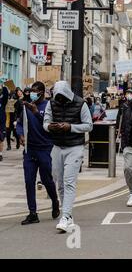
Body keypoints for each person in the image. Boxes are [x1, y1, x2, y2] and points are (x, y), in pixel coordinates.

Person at [44, 81, 93, 232]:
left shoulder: (81, 104)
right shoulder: (51, 104)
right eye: (57, 97)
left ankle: (65, 216)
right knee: (60, 183)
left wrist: (70, 127)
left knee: (69, 182)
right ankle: (68, 216)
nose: (59, 100)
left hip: (75, 147)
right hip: (57, 146)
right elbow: (45, 123)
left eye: (62, 97)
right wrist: (50, 127)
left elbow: (89, 125)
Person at [16, 82, 60, 225]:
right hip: (30, 150)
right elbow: (21, 124)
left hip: (45, 148)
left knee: (47, 180)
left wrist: (36, 112)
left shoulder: (49, 106)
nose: (32, 94)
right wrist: (21, 135)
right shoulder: (26, 106)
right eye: (31, 92)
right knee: (29, 181)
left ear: (41, 92)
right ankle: (32, 213)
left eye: (35, 92)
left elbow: (50, 126)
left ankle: (54, 201)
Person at [0, 84, 9, 161]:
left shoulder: (2, 101)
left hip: (1, 123)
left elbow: (6, 95)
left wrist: (4, 86)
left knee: (0, 139)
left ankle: (0, 154)